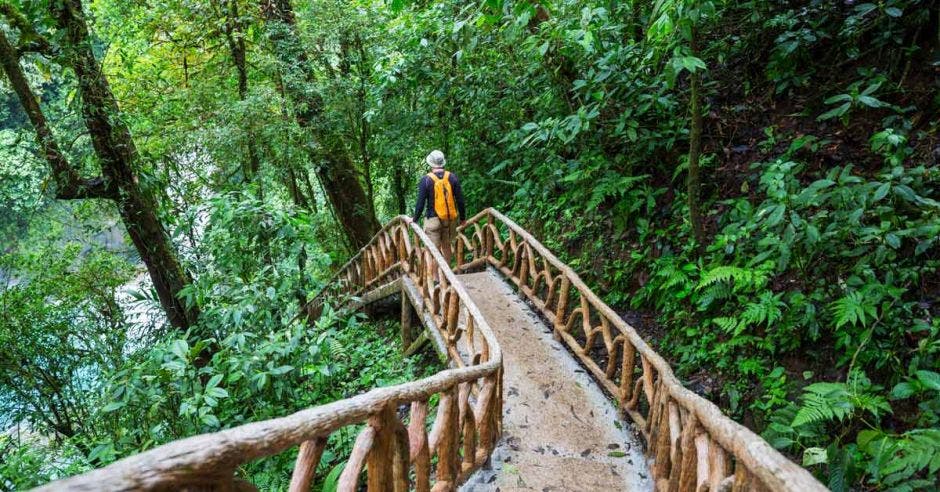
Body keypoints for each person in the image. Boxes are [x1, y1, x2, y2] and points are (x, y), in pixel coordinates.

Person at [405, 150, 466, 263]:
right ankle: (446, 276)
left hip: (433, 220)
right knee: (447, 246)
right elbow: (460, 201)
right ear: (443, 162)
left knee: (433, 250)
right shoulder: (452, 177)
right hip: (449, 219)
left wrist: (414, 219)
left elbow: (420, 203)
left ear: (431, 163)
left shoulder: (426, 180)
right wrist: (462, 218)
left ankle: (436, 279)